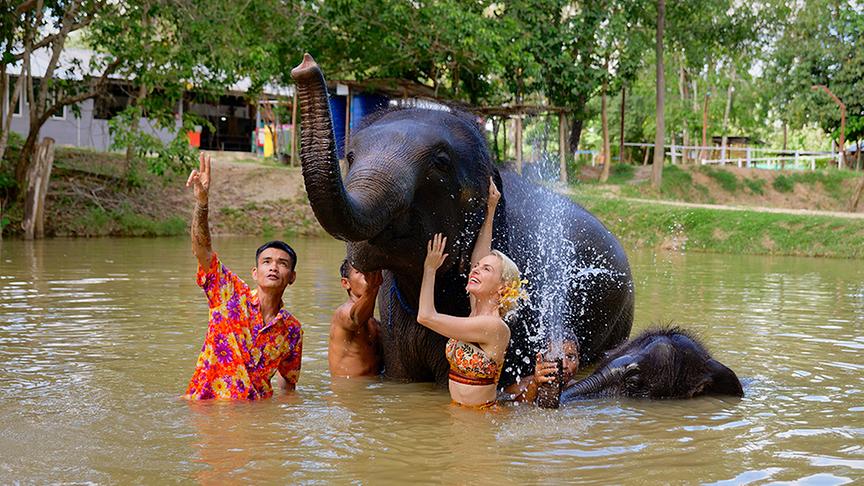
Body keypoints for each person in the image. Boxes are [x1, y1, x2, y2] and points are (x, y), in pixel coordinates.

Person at [183, 153, 303, 400]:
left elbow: (288, 385)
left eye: (282, 264)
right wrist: (202, 203)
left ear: (291, 277)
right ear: (255, 272)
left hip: (254, 416)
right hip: (207, 411)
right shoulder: (229, 294)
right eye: (266, 262)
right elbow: (202, 250)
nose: (273, 268)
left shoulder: (292, 330)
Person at [417, 178, 524, 409]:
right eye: (476, 268)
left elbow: (425, 316)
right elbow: (479, 256)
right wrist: (491, 210)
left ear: (502, 288)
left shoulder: (494, 327)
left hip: (481, 420)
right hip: (458, 413)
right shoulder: (475, 310)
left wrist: (429, 269)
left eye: (486, 270)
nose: (475, 269)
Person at [328, 260, 383, 377]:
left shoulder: (375, 323)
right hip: (347, 391)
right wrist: (371, 288)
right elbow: (356, 319)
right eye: (360, 272)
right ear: (345, 283)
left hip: (374, 390)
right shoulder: (341, 314)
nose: (367, 276)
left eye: (369, 273)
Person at [504, 334, 580, 403]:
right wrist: (534, 384)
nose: (564, 365)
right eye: (555, 356)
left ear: (578, 359)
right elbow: (512, 410)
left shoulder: (580, 387)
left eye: (570, 357)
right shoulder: (519, 388)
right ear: (542, 359)